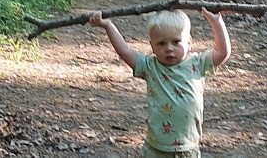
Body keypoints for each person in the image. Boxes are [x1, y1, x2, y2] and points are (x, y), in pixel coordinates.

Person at [89, 8, 231, 158]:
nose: (169, 48)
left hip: (187, 148)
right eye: (161, 43)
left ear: (189, 42)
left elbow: (223, 53)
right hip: (155, 148)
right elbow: (125, 51)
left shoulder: (198, 64)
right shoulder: (150, 67)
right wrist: (108, 25)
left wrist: (217, 23)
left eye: (176, 42)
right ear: (152, 46)